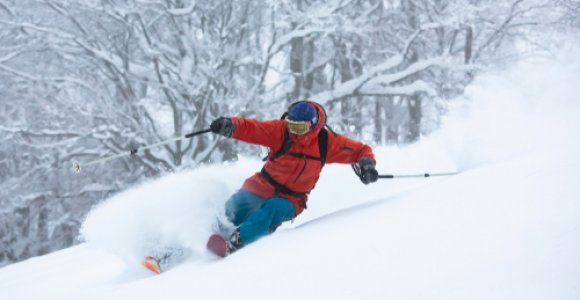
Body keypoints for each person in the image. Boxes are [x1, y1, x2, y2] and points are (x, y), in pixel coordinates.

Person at [208, 100, 379, 256]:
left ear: (311, 125)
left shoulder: (325, 142)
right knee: (237, 206)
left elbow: (359, 150)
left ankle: (236, 242)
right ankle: (206, 235)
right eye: (292, 126)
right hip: (263, 184)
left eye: (299, 129)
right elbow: (253, 129)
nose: (294, 132)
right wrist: (231, 125)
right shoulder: (281, 130)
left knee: (272, 209)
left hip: (291, 199)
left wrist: (367, 164)